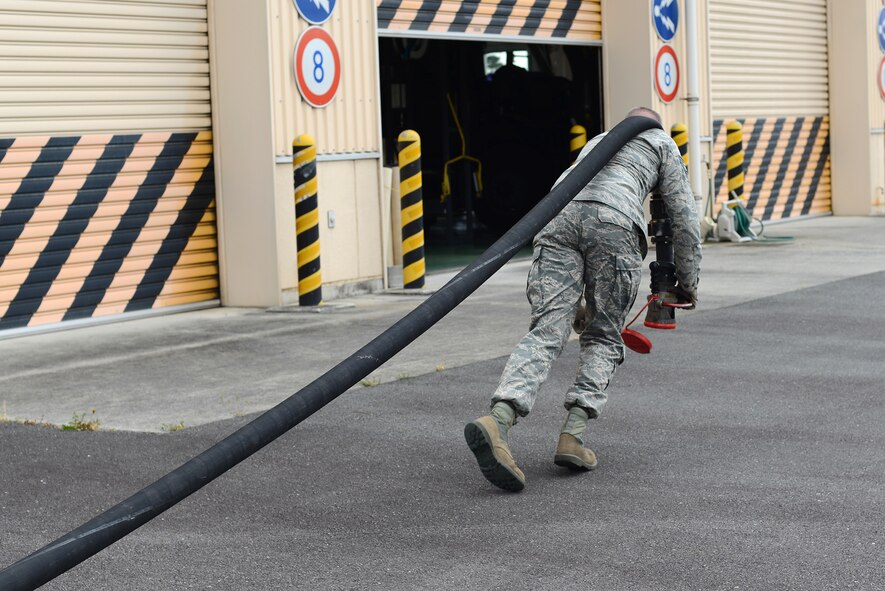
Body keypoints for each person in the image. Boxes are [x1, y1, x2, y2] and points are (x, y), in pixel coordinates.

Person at [464, 107, 702, 492]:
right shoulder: (661, 142)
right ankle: (572, 435)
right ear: (654, 124)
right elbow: (684, 217)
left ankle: (499, 420)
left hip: (557, 216)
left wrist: (574, 309)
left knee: (546, 330)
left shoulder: (598, 140)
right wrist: (688, 284)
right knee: (605, 336)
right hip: (615, 223)